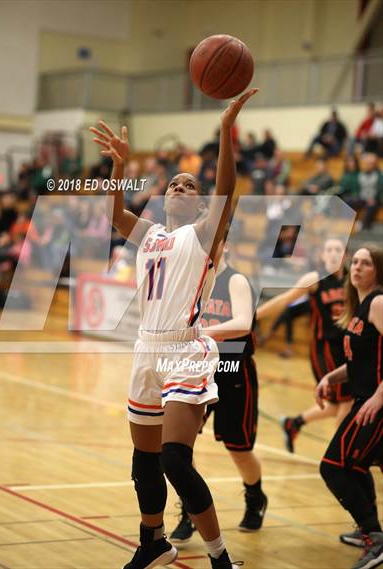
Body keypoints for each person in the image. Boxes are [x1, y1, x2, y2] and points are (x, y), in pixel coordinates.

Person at [90, 87, 258, 569]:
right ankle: (154, 543)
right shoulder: (153, 233)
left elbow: (224, 188)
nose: (180, 188)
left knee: (174, 460)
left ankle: (220, 557)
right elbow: (115, 215)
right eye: (174, 185)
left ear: (202, 204)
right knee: (142, 460)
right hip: (146, 350)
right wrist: (119, 167)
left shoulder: (202, 234)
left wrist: (225, 131)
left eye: (189, 185)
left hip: (185, 350)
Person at [170, 239, 267, 546]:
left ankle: (255, 495)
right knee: (177, 447)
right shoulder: (191, 282)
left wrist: (201, 332)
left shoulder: (235, 280)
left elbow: (243, 323)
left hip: (233, 371)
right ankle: (191, 509)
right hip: (198, 369)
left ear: (224, 245)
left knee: (238, 449)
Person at [315, 245, 383, 569]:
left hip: (375, 404)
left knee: (333, 466)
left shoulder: (379, 302)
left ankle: (375, 536)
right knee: (357, 466)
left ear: (377, 270)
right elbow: (360, 362)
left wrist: (379, 397)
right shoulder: (360, 306)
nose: (357, 267)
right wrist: (331, 376)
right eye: (354, 261)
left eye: (366, 263)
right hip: (364, 398)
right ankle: (369, 530)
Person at [256, 238, 353, 452]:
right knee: (347, 401)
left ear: (345, 255)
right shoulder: (315, 279)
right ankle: (340, 456)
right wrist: (254, 316)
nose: (334, 253)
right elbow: (285, 299)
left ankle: (294, 423)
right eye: (329, 249)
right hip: (325, 349)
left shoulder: (351, 280)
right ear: (322, 255)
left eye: (338, 249)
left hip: (348, 349)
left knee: (337, 404)